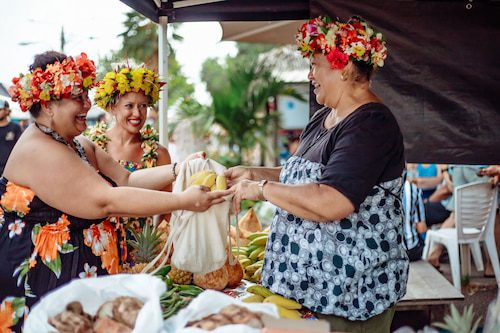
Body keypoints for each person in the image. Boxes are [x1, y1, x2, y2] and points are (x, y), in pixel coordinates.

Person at [0, 51, 230, 331]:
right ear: (48, 104)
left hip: (76, 280)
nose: (88, 103)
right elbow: (106, 201)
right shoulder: (39, 149)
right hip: (43, 280)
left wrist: (180, 169)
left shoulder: (75, 143)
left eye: (86, 94)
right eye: (78, 96)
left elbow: (126, 180)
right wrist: (184, 201)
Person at [227, 16, 408, 332]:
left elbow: (331, 200)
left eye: (315, 65)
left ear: (345, 67)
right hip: (306, 290)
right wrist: (253, 173)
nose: (310, 75)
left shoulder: (370, 125)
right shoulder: (324, 116)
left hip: (348, 297)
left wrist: (261, 189)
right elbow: (302, 176)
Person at [88, 65, 172, 240]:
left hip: (139, 252)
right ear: (113, 108)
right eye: (129, 105)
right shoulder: (92, 146)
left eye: (143, 106)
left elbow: (166, 211)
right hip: (97, 245)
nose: (137, 113)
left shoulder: (159, 153)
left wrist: (156, 249)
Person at [402, 180, 427, 261]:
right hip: (411, 250)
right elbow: (421, 228)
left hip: (389, 251)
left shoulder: (382, 188)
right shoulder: (414, 189)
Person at [0, 100, 23, 176]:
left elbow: (21, 148)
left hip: (9, 171)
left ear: (7, 111)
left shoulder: (15, 127)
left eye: (0, 109)